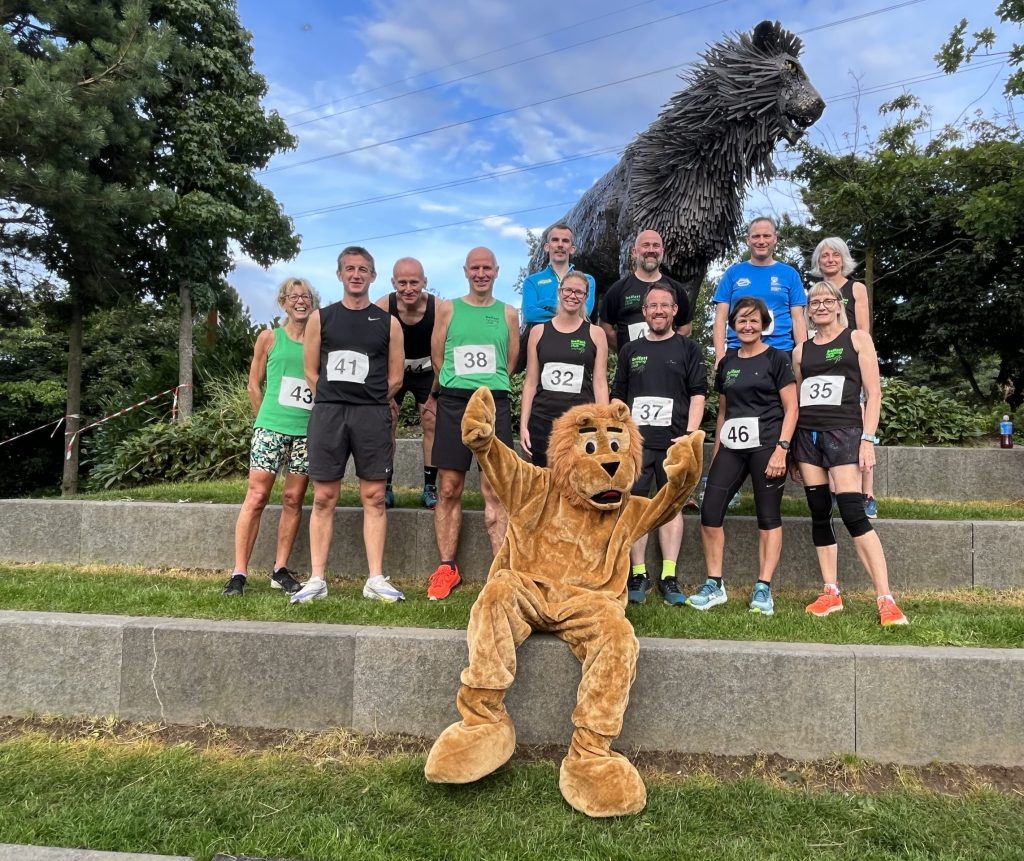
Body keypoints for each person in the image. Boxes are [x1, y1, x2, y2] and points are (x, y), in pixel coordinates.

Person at [292, 246, 406, 604]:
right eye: (350, 269)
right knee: (325, 495)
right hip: (329, 414)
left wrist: (369, 398)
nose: (356, 275)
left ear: (373, 276)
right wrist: (332, 395)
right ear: (339, 274)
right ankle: (317, 579)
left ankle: (375, 578)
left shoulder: (388, 322)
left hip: (371, 415)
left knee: (374, 496)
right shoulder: (321, 318)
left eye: (363, 269)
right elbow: (311, 370)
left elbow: (396, 376)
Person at [793, 281, 908, 626]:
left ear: (839, 304)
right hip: (807, 438)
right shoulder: (801, 351)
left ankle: (886, 598)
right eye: (815, 301)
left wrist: (867, 439)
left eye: (827, 300)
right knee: (818, 511)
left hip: (844, 435)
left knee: (854, 514)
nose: (821, 306)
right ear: (809, 309)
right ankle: (831, 592)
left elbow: (874, 394)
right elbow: (800, 399)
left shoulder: (857, 339)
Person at [691, 296, 797, 614]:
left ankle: (763, 588)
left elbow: (792, 408)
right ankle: (714, 584)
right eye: (741, 321)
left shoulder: (777, 359)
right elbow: (723, 412)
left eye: (754, 320)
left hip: (767, 446)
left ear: (764, 325)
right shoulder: (727, 363)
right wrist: (718, 452)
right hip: (732, 449)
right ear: (733, 326)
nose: (747, 325)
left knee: (768, 517)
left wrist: (782, 449)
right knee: (710, 512)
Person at [426, 247, 520, 600]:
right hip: (454, 401)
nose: (481, 273)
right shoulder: (447, 308)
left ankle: (502, 573)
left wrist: (487, 385)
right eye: (475, 268)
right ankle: (446, 568)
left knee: (496, 489)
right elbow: (438, 356)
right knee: (449, 487)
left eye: (487, 268)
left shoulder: (509, 313)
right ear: (466, 271)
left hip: (493, 401)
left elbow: (510, 361)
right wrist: (456, 386)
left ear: (496, 272)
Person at [223, 278, 320, 597]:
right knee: (257, 495)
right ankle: (238, 572)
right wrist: (262, 420)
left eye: (305, 296)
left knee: (293, 499)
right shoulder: (269, 338)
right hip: (271, 428)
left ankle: (280, 569)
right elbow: (254, 384)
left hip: (306, 431)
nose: (300, 301)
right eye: (293, 297)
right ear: (283, 303)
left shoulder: (320, 341)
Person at [611, 282, 707, 606]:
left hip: (673, 444)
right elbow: (617, 396)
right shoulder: (630, 351)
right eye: (653, 306)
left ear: (675, 311)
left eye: (665, 305)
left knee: (670, 508)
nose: (659, 311)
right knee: (636, 506)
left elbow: (698, 394)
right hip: (637, 446)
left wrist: (690, 435)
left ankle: (669, 575)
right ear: (645, 311)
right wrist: (619, 434)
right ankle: (638, 573)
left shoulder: (688, 349)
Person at [811, 236, 876, 518]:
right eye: (824, 255)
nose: (829, 260)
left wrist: (864, 360)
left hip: (850, 360)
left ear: (843, 258)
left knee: (860, 425)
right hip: (824, 366)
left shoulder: (856, 288)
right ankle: (839, 491)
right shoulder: (813, 291)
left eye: (834, 255)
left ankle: (867, 493)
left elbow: (864, 328)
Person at [520, 271, 609, 466]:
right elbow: (531, 383)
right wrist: (523, 424)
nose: (573, 296)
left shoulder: (596, 334)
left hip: (581, 421)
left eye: (579, 292)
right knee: (543, 485)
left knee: (577, 486)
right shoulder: (538, 332)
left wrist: (604, 424)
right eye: (568, 290)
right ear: (560, 292)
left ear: (586, 297)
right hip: (542, 420)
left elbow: (600, 383)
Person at [375, 257, 438, 510]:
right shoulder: (382, 306)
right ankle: (386, 485)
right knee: (387, 421)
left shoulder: (439, 307)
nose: (409, 288)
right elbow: (375, 351)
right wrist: (387, 392)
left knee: (432, 420)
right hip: (394, 371)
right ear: (393, 283)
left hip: (427, 371)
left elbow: (444, 351)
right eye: (402, 283)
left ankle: (430, 487)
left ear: (425, 281)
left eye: (414, 282)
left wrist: (436, 392)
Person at [713, 216, 807, 365]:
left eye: (767, 236)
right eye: (756, 236)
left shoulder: (790, 274)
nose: (761, 241)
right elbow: (720, 318)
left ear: (775, 239)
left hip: (780, 349)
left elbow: (798, 318)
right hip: (738, 349)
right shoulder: (733, 273)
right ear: (748, 240)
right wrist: (719, 355)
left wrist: (802, 351)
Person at [517, 222, 596, 374]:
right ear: (547, 246)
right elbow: (529, 314)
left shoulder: (587, 280)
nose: (560, 245)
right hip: (543, 347)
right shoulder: (532, 281)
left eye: (565, 241)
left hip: (577, 345)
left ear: (572, 249)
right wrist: (568, 309)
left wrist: (546, 303)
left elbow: (585, 311)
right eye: (555, 240)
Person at [601, 229, 693, 353]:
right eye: (645, 245)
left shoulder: (676, 289)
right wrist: (625, 351)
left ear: (662, 252)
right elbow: (605, 328)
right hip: (631, 366)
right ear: (634, 252)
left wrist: (671, 349)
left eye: (656, 246)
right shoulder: (618, 289)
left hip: (668, 365)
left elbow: (686, 328)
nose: (651, 250)